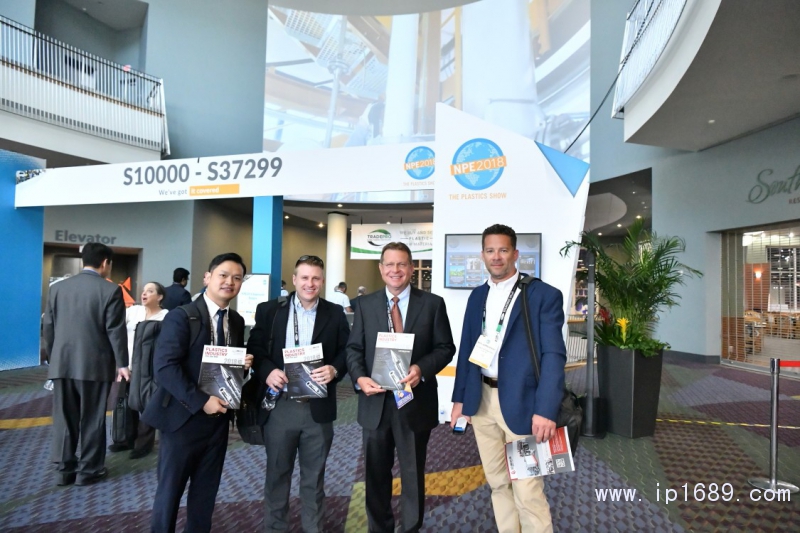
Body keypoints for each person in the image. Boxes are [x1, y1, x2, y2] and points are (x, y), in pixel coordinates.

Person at [450, 224, 566, 533]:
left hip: (524, 404)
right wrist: (459, 399)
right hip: (482, 401)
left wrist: (546, 409)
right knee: (498, 483)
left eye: (503, 250)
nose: (496, 257)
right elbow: (467, 351)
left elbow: (554, 356)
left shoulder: (543, 295)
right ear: (482, 255)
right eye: (490, 251)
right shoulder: (477, 296)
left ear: (515, 254)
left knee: (527, 488)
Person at [346, 242, 455, 533]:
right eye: (390, 264)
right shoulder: (365, 305)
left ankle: (410, 528)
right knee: (375, 475)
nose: (396, 270)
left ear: (411, 268)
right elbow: (354, 349)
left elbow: (445, 347)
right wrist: (359, 378)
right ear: (381, 269)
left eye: (402, 264)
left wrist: (421, 368)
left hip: (415, 402)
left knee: (412, 473)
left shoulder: (432, 304)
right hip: (375, 403)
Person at [142, 253, 254, 533]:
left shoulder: (236, 321)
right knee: (170, 492)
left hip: (218, 421)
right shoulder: (182, 316)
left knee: (206, 493)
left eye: (237, 278)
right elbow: (165, 367)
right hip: (182, 418)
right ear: (207, 277)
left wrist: (242, 367)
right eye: (223, 275)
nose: (229, 282)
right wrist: (201, 401)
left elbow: (225, 368)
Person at [248, 255, 350, 533]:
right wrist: (267, 371)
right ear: (294, 280)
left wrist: (335, 369)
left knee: (313, 479)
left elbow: (347, 350)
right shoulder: (270, 311)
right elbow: (255, 349)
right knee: (277, 476)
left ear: (322, 281)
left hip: (318, 407)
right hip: (280, 406)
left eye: (316, 278)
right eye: (304, 277)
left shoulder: (334, 313)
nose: (310, 283)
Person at [43, 242, 129, 487]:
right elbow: (115, 330)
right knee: (92, 418)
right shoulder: (110, 290)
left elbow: (48, 326)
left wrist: (54, 357)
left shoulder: (58, 288)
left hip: (62, 364)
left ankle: (64, 470)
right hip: (95, 366)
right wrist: (122, 363)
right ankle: (89, 470)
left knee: (64, 418)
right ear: (105, 263)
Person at [108, 281, 168, 459]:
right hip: (127, 367)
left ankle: (143, 444)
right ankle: (125, 439)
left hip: (149, 370)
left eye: (150, 291)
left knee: (148, 405)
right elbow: (116, 328)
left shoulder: (166, 317)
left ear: (160, 297)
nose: (144, 294)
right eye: (143, 291)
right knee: (125, 404)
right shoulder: (134, 311)